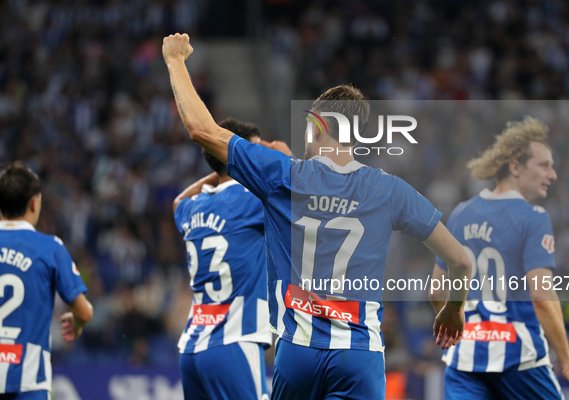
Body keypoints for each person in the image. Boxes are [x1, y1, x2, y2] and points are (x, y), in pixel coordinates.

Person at [162, 33, 471, 400]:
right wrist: (453, 308)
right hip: (359, 354)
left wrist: (176, 61)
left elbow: (203, 130)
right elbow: (460, 260)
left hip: (298, 353)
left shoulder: (281, 174)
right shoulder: (389, 189)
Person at [429, 117, 569, 400]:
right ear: (515, 167)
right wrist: (568, 364)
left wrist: (458, 322)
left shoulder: (460, 213)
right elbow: (542, 298)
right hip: (520, 358)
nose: (552, 174)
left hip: (465, 358)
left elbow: (436, 291)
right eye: (544, 165)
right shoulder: (533, 217)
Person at [173, 117, 273, 400]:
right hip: (234, 340)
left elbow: (177, 201)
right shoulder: (253, 199)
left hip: (192, 347)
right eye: (253, 151)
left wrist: (219, 168)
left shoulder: (192, 207)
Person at [0, 162, 93, 400]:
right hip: (28, 382)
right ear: (34, 203)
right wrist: (77, 324)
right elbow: (83, 311)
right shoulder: (49, 248)